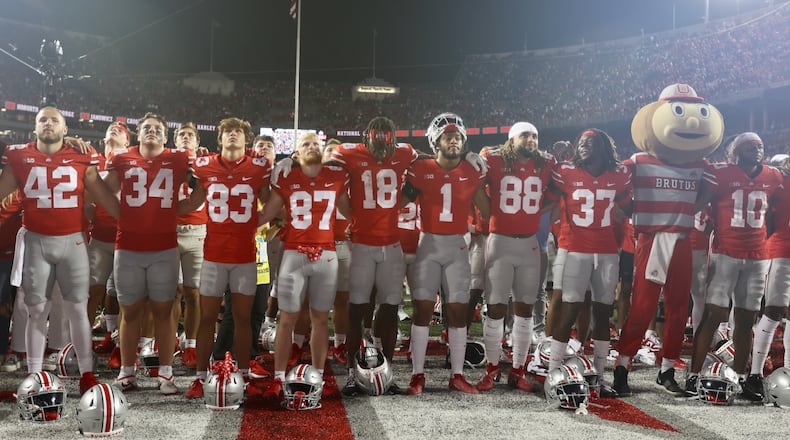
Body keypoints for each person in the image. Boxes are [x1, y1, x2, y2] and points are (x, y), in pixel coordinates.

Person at [0, 106, 119, 394]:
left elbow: (103, 195)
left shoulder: (82, 154)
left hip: (73, 241)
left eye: (55, 120)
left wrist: (131, 221)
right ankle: (34, 375)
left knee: (77, 308)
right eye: (43, 119)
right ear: (35, 127)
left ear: (66, 129)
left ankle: (87, 373)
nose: (48, 123)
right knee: (36, 310)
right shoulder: (18, 156)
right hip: (36, 241)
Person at [179, 117, 271, 399]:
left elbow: (271, 203)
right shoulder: (204, 166)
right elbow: (194, 202)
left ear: (246, 138)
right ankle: (200, 377)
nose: (232, 135)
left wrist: (266, 223)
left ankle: (242, 375)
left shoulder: (259, 167)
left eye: (238, 131)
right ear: (220, 139)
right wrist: (159, 211)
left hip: (245, 256)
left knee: (243, 319)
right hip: (214, 255)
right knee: (208, 318)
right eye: (227, 132)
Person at [102, 112, 193, 395]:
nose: (152, 132)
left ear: (166, 137)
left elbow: (202, 186)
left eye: (157, 129)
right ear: (138, 134)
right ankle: (127, 371)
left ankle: (165, 373)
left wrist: (180, 210)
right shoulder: (121, 158)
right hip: (128, 246)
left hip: (164, 247)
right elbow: (104, 192)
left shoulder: (179, 158)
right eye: (147, 128)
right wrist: (122, 216)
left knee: (164, 312)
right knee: (129, 312)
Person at [686, 133, 783, 399]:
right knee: (713, 314)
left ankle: (742, 378)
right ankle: (693, 374)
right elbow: (698, 202)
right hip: (725, 253)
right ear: (736, 152)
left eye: (760, 146)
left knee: (745, 319)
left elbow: (777, 212)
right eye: (751, 146)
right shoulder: (721, 173)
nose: (758, 149)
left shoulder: (773, 176)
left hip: (757, 257)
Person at [327, 116, 419, 395]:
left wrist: (399, 204)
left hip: (391, 244)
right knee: (357, 309)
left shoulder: (405, 153)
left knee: (390, 308)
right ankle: (354, 375)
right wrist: (353, 214)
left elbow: (424, 169)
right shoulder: (348, 153)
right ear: (366, 137)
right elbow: (332, 179)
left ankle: (386, 371)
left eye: (385, 135)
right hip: (363, 246)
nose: (381, 141)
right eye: (376, 135)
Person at [402, 113, 489, 395]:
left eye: (458, 136)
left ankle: (457, 374)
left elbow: (487, 210)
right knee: (423, 309)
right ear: (435, 141)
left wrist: (490, 175)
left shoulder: (472, 170)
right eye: (447, 136)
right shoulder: (421, 168)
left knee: (458, 310)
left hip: (457, 245)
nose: (454, 141)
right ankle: (417, 374)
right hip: (428, 243)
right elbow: (398, 200)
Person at [259, 132, 351, 399]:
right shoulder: (287, 175)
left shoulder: (336, 175)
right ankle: (277, 377)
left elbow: (352, 211)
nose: (311, 146)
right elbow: (268, 212)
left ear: (323, 150)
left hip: (326, 254)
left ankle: (319, 376)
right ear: (296, 153)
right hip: (294, 254)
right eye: (305, 144)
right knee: (286, 318)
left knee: (321, 320)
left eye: (315, 144)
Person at [547, 129, 631, 398]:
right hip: (576, 250)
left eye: (590, 143)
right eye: (581, 143)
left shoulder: (619, 174)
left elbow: (627, 206)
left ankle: (599, 377)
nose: (583, 147)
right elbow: (546, 196)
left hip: (606, 251)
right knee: (569, 310)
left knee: (604, 314)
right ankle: (553, 372)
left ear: (604, 147)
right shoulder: (566, 172)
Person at [475, 122, 554, 393]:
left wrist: (534, 212)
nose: (531, 140)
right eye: (525, 135)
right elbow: (474, 185)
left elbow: (557, 193)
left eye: (534, 135)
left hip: (529, 244)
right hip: (500, 242)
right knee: (496, 307)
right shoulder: (493, 159)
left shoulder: (546, 164)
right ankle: (492, 367)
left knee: (525, 310)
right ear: (512, 139)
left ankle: (518, 370)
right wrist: (491, 212)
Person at [89, 122, 130, 361]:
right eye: (111, 128)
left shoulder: (131, 161)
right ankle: (82, 343)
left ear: (127, 141)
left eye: (121, 130)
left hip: (126, 238)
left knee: (123, 294)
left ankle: (119, 343)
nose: (114, 130)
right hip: (100, 237)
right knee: (93, 290)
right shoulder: (92, 161)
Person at [172, 122, 207, 369]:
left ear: (197, 141)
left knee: (194, 293)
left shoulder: (207, 161)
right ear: (175, 141)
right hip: (170, 232)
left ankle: (192, 345)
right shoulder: (166, 161)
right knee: (171, 292)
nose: (186, 137)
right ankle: (172, 339)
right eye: (182, 135)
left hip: (197, 232)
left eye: (190, 135)